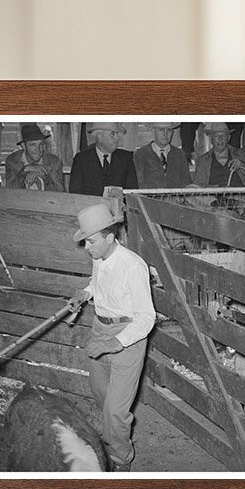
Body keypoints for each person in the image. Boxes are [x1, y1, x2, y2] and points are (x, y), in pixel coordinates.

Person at [66, 202, 156, 472]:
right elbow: (97, 284)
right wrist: (84, 294)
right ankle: (115, 434)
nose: (87, 247)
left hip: (127, 336)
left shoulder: (133, 266)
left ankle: (120, 460)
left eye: (91, 241)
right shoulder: (99, 257)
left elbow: (146, 317)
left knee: (116, 409)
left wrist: (116, 342)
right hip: (100, 328)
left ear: (109, 236)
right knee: (101, 395)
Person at [68, 122, 138, 195]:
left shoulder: (126, 158)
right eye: (113, 134)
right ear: (99, 136)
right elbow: (75, 194)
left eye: (117, 134)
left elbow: (132, 193)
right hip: (90, 206)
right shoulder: (81, 160)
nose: (117, 138)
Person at [192, 121, 245, 187]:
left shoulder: (241, 154)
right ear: (211, 139)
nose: (220, 139)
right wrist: (216, 189)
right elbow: (197, 187)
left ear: (228, 138)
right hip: (213, 199)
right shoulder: (203, 160)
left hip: (241, 198)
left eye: (223, 136)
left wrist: (242, 166)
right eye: (216, 136)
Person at [4, 124, 65, 191]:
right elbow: (9, 191)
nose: (38, 149)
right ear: (24, 146)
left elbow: (60, 193)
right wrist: (24, 171)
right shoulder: (12, 161)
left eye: (41, 144)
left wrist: (44, 177)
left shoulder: (54, 162)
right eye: (33, 145)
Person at [133, 122, 191, 188]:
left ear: (172, 132)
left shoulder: (179, 154)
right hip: (149, 197)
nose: (165, 134)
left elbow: (186, 182)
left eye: (169, 130)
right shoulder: (141, 154)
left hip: (175, 197)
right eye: (161, 130)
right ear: (153, 131)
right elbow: (138, 183)